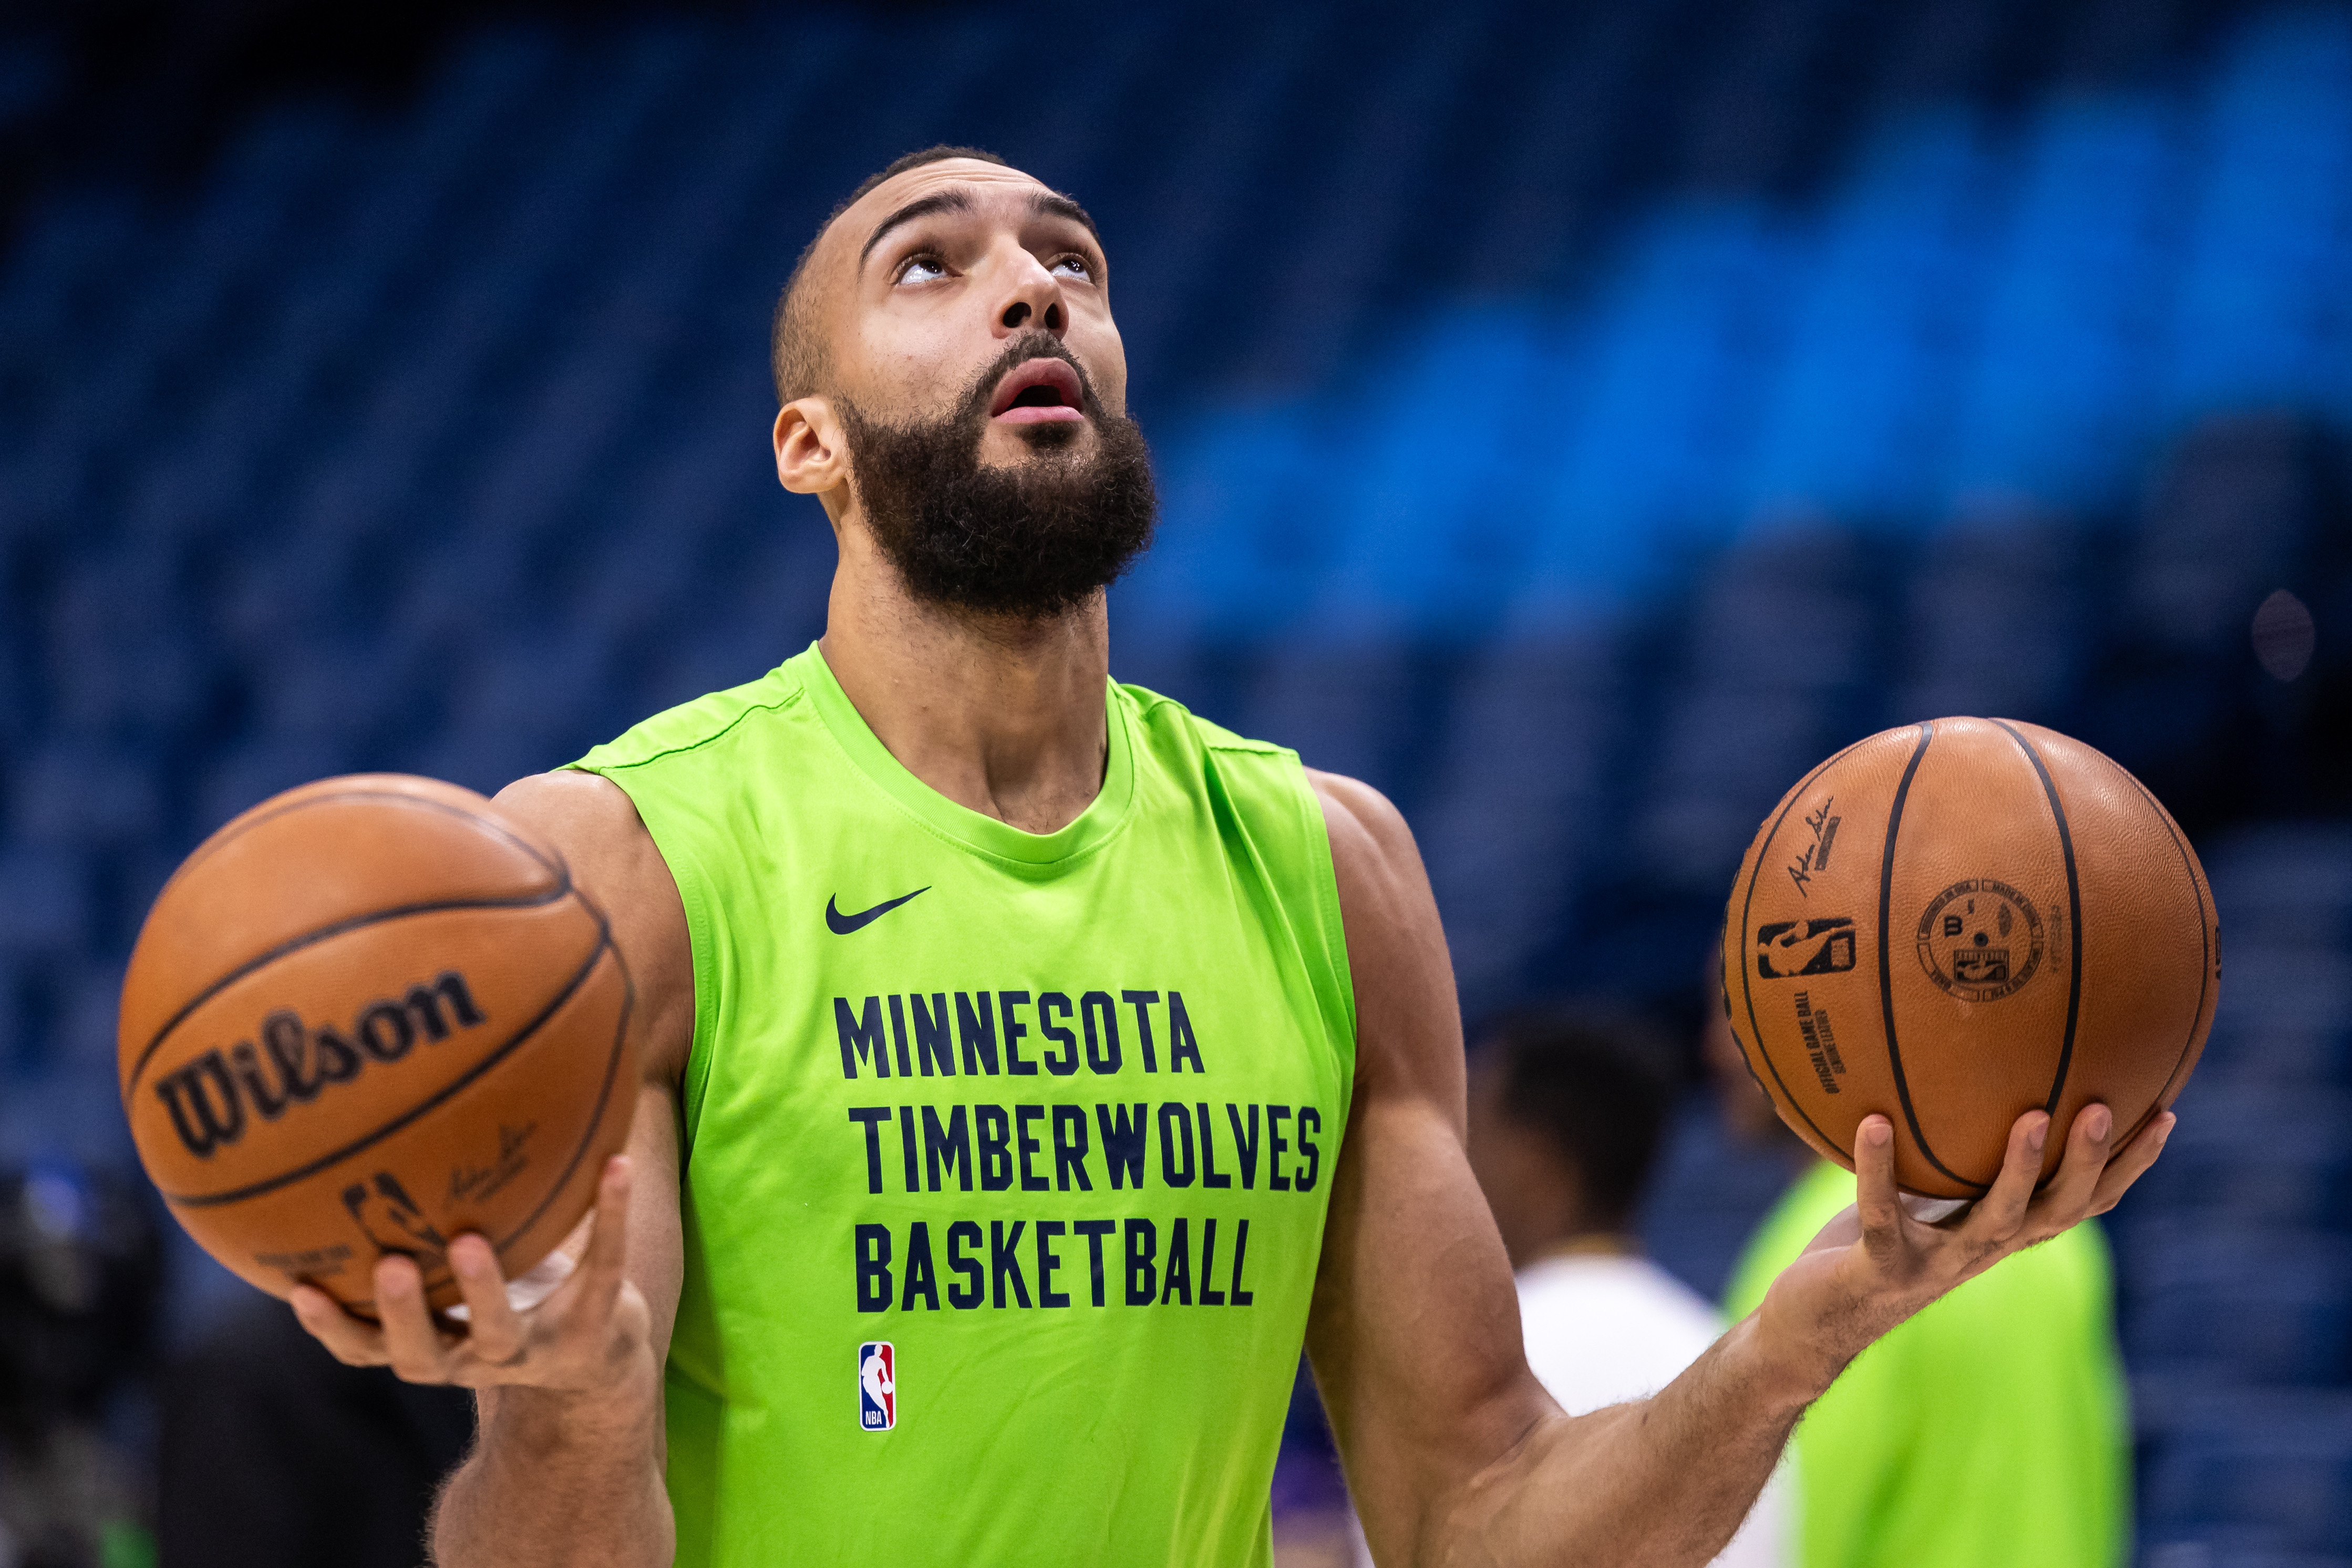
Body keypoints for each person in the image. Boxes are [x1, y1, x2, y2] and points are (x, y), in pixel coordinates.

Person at [287, 145, 2172, 1567]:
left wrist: (1796, 1337)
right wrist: (571, 1410)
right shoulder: (626, 862)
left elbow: (1475, 1515)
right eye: (928, 268)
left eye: (1069, 264)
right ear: (810, 446)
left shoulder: (1326, 867)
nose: (1029, 289)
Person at [1707, 1004, 2132, 1567]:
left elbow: (1774, 1529)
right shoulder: (2061, 1233)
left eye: (1736, 1008)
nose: (1714, 1045)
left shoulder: (1828, 1250)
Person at [1464, 1010, 1789, 1568]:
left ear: (1535, 1161)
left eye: (1472, 1135)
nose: (1456, 1163)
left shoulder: (1471, 1353)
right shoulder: (1725, 1343)